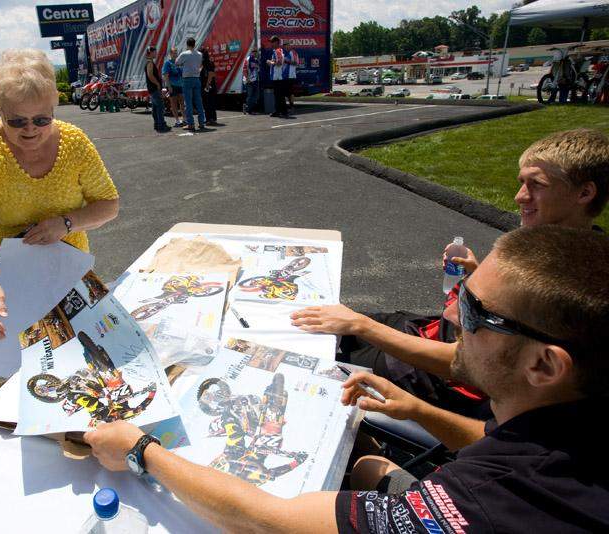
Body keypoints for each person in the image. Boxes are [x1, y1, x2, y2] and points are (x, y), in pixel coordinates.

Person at [83, 225, 609, 533]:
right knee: (370, 465)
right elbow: (504, 445)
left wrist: (140, 450)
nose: (451, 315)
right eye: (461, 293)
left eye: (474, 312)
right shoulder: (568, 413)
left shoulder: (487, 499)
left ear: (544, 365)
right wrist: (421, 411)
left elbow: (273, 519)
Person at [290, 128, 609, 415]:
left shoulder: (568, 284)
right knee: (321, 322)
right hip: (428, 330)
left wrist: (362, 326)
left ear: (584, 194)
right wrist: (475, 273)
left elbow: (466, 364)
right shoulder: (564, 249)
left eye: (536, 185)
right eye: (521, 183)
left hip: (438, 372)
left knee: (310, 359)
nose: (520, 197)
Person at [0, 49, 120, 340]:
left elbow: (109, 205)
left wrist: (66, 223)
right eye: (16, 121)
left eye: (42, 119)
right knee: (22, 355)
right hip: (10, 276)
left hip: (70, 268)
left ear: (54, 106)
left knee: (86, 345)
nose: (30, 129)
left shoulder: (74, 142)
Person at [176, 37, 206, 132]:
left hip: (187, 79)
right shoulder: (200, 54)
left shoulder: (184, 54)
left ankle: (191, 124)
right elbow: (200, 65)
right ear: (194, 44)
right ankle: (201, 122)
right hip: (196, 78)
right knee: (199, 101)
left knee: (188, 103)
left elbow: (177, 62)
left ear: (187, 45)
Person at [144, 46, 170, 133]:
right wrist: (157, 83)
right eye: (155, 52)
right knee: (160, 107)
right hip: (154, 88)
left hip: (152, 88)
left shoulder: (149, 62)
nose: (156, 53)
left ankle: (157, 124)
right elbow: (150, 75)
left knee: (155, 107)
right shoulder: (150, 63)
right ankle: (161, 125)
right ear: (150, 52)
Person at [266, 35, 289, 118]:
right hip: (277, 76)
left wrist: (270, 62)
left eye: (272, 42)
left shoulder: (277, 51)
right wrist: (272, 61)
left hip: (278, 77)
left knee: (279, 95)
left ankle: (281, 111)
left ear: (276, 42)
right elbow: (278, 61)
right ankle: (281, 111)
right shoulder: (277, 51)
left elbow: (279, 63)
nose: (271, 44)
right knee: (279, 95)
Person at [162, 47, 185, 127]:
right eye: (174, 53)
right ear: (170, 54)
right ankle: (177, 121)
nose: (175, 54)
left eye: (176, 52)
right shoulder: (167, 63)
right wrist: (169, 87)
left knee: (182, 103)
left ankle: (184, 119)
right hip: (172, 86)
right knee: (174, 104)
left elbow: (182, 74)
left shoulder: (178, 63)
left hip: (180, 85)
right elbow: (165, 76)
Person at [200, 48, 218, 126]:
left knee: (209, 103)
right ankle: (210, 119)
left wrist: (207, 85)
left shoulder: (209, 63)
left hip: (208, 86)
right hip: (207, 86)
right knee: (208, 103)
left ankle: (211, 119)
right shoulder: (201, 64)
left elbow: (211, 74)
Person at [242, 49, 260, 114]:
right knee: (250, 95)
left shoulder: (256, 60)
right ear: (251, 52)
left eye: (256, 52)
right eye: (254, 52)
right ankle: (249, 110)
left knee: (256, 96)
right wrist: (247, 79)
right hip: (249, 81)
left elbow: (257, 70)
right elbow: (244, 70)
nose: (255, 53)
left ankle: (246, 107)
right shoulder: (247, 59)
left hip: (255, 80)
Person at [282, 41, 299, 109]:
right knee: (284, 91)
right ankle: (285, 105)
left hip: (290, 75)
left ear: (289, 46)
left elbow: (296, 63)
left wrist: (286, 61)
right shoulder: (283, 53)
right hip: (283, 75)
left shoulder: (293, 52)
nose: (285, 47)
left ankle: (291, 105)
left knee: (290, 92)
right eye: (284, 46)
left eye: (286, 45)